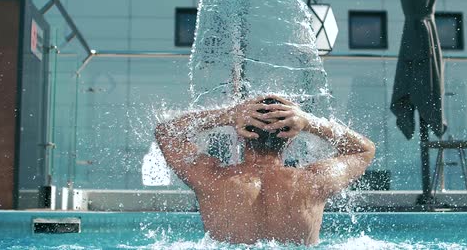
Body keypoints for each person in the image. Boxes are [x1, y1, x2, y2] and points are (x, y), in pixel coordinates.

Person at [155, 95, 375, 245]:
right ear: (290, 139)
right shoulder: (313, 181)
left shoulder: (212, 179)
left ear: (241, 136)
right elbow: (363, 150)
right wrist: (309, 121)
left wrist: (227, 115)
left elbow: (166, 132)